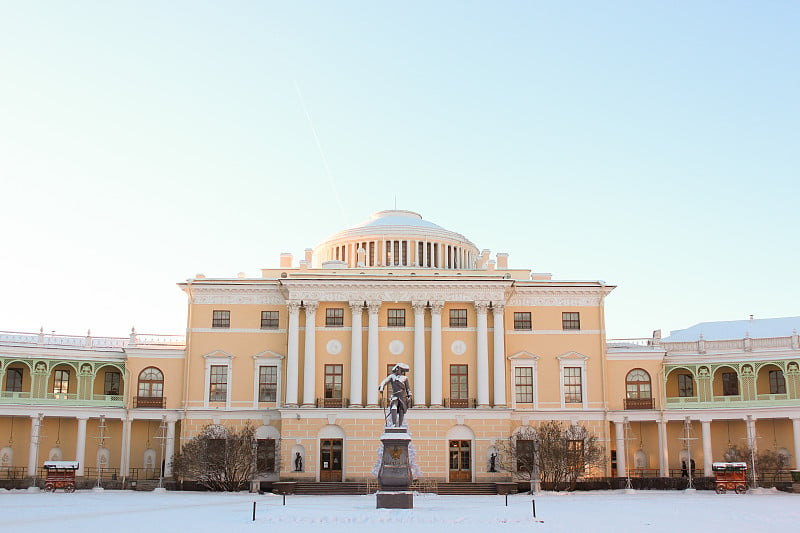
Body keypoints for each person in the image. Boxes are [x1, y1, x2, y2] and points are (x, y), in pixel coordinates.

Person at [378, 363, 412, 428]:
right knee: (394, 408)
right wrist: (382, 387)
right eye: (397, 368)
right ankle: (393, 424)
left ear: (401, 370)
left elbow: (408, 388)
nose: (397, 370)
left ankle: (400, 425)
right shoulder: (392, 376)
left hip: (403, 396)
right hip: (395, 395)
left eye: (399, 369)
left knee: (401, 410)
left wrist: (409, 395)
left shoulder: (405, 378)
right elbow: (384, 382)